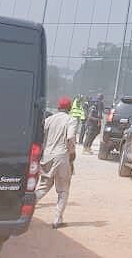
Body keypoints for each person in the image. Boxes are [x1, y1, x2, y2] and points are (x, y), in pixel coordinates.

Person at [36, 96, 76, 228]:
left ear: (58, 107)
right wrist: (72, 153)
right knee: (63, 190)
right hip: (62, 157)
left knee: (43, 187)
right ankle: (57, 220)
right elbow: (70, 137)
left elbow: (41, 137)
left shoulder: (48, 120)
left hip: (47, 156)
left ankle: (23, 209)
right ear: (70, 108)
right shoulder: (71, 120)